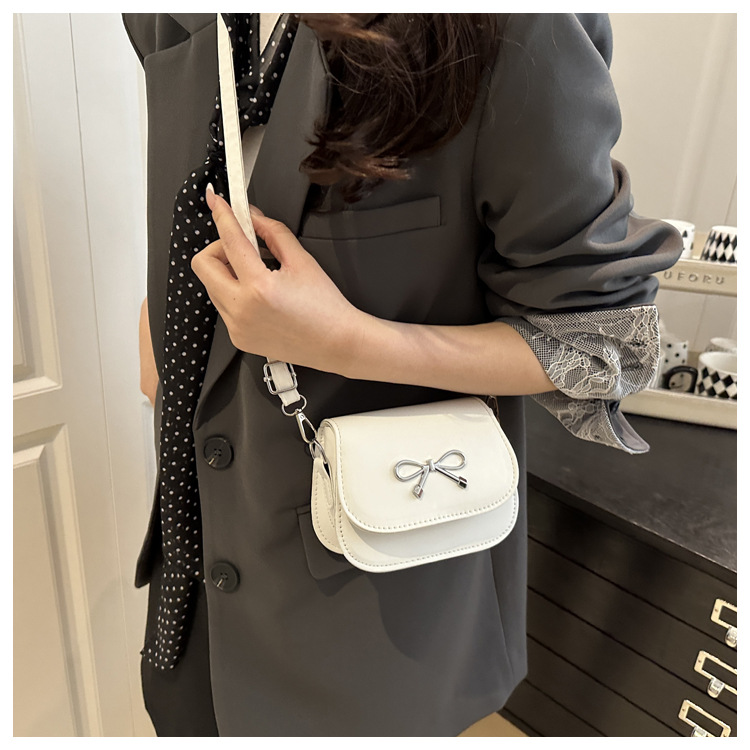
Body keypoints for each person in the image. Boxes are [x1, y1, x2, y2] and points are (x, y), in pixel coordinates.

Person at [123, 12, 682, 737]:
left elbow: (607, 343)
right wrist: (162, 313)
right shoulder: (169, 18)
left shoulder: (512, 29)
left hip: (372, 617)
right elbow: (211, 177)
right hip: (189, 581)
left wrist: (348, 343)